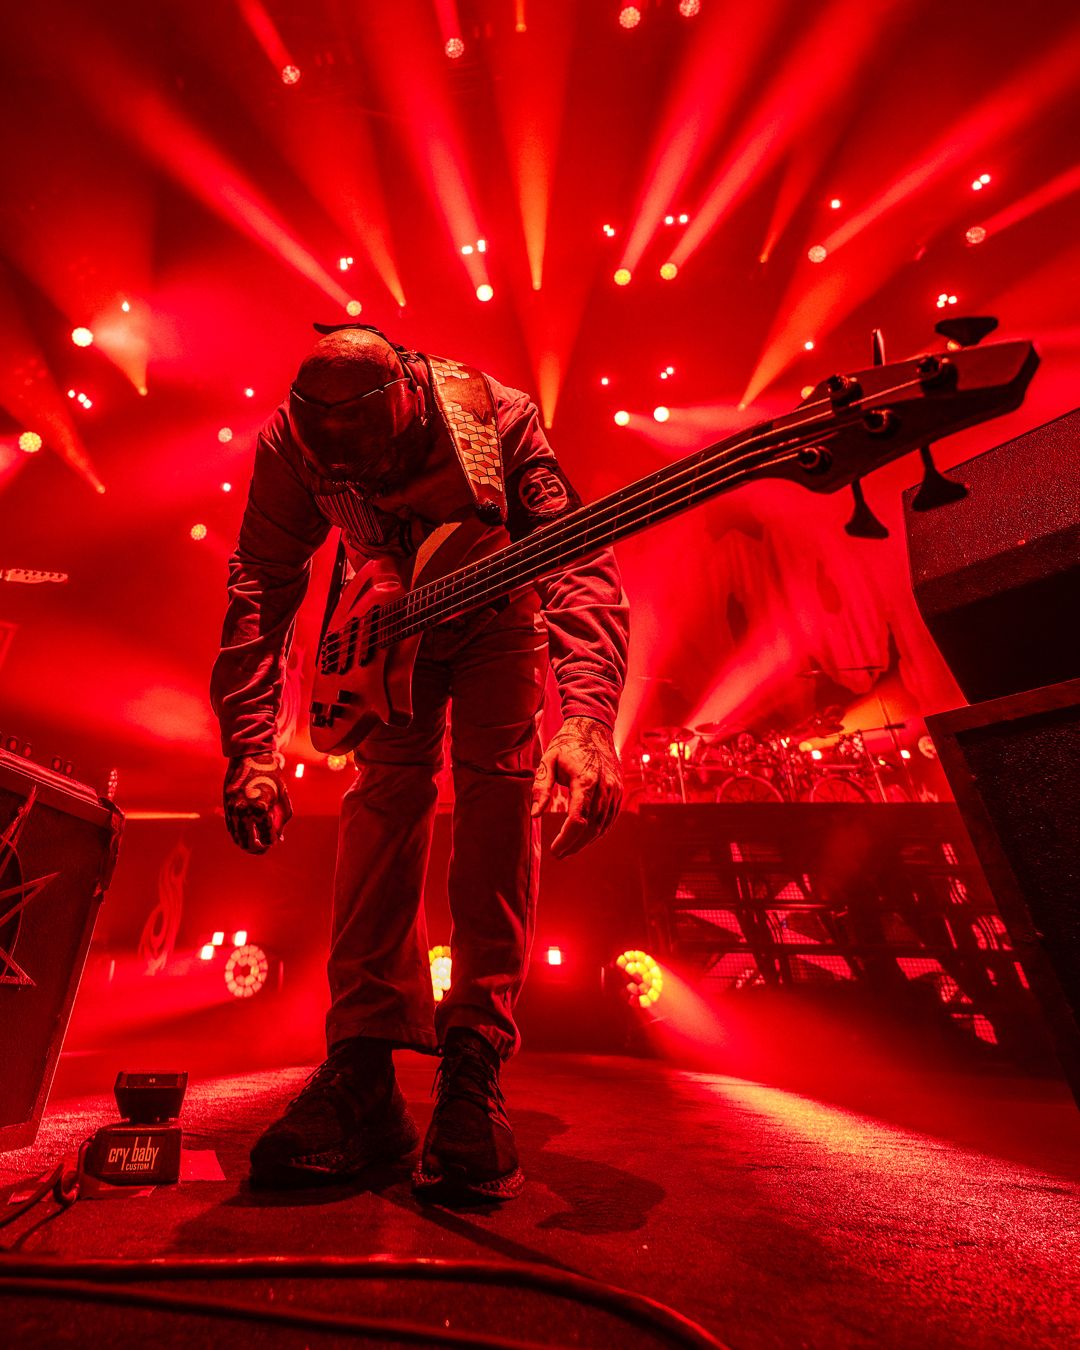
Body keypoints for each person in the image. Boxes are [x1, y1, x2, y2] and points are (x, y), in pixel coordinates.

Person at [210, 324, 628, 1201]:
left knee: (499, 798)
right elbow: (263, 581)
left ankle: (474, 1060)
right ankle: (363, 1068)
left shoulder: (497, 416)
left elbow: (577, 561)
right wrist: (253, 745)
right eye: (342, 474)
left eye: (371, 461)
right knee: (382, 803)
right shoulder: (291, 440)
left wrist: (586, 716)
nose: (356, 484)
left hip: (493, 613)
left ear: (406, 395)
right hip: (380, 618)